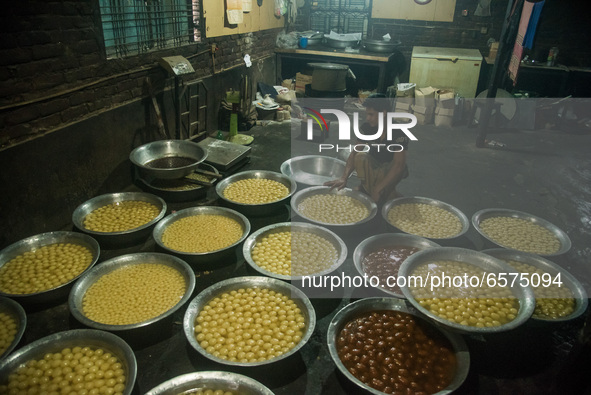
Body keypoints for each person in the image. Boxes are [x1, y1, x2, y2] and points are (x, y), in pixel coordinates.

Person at [324, 95, 410, 204]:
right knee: (360, 156)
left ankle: (387, 192)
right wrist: (344, 178)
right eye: (367, 114)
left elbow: (399, 165)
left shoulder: (398, 132)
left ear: (383, 113)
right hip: (374, 164)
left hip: (391, 168)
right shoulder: (367, 127)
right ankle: (368, 188)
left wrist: (378, 188)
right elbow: (355, 153)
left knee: (385, 198)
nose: (367, 118)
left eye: (371, 114)